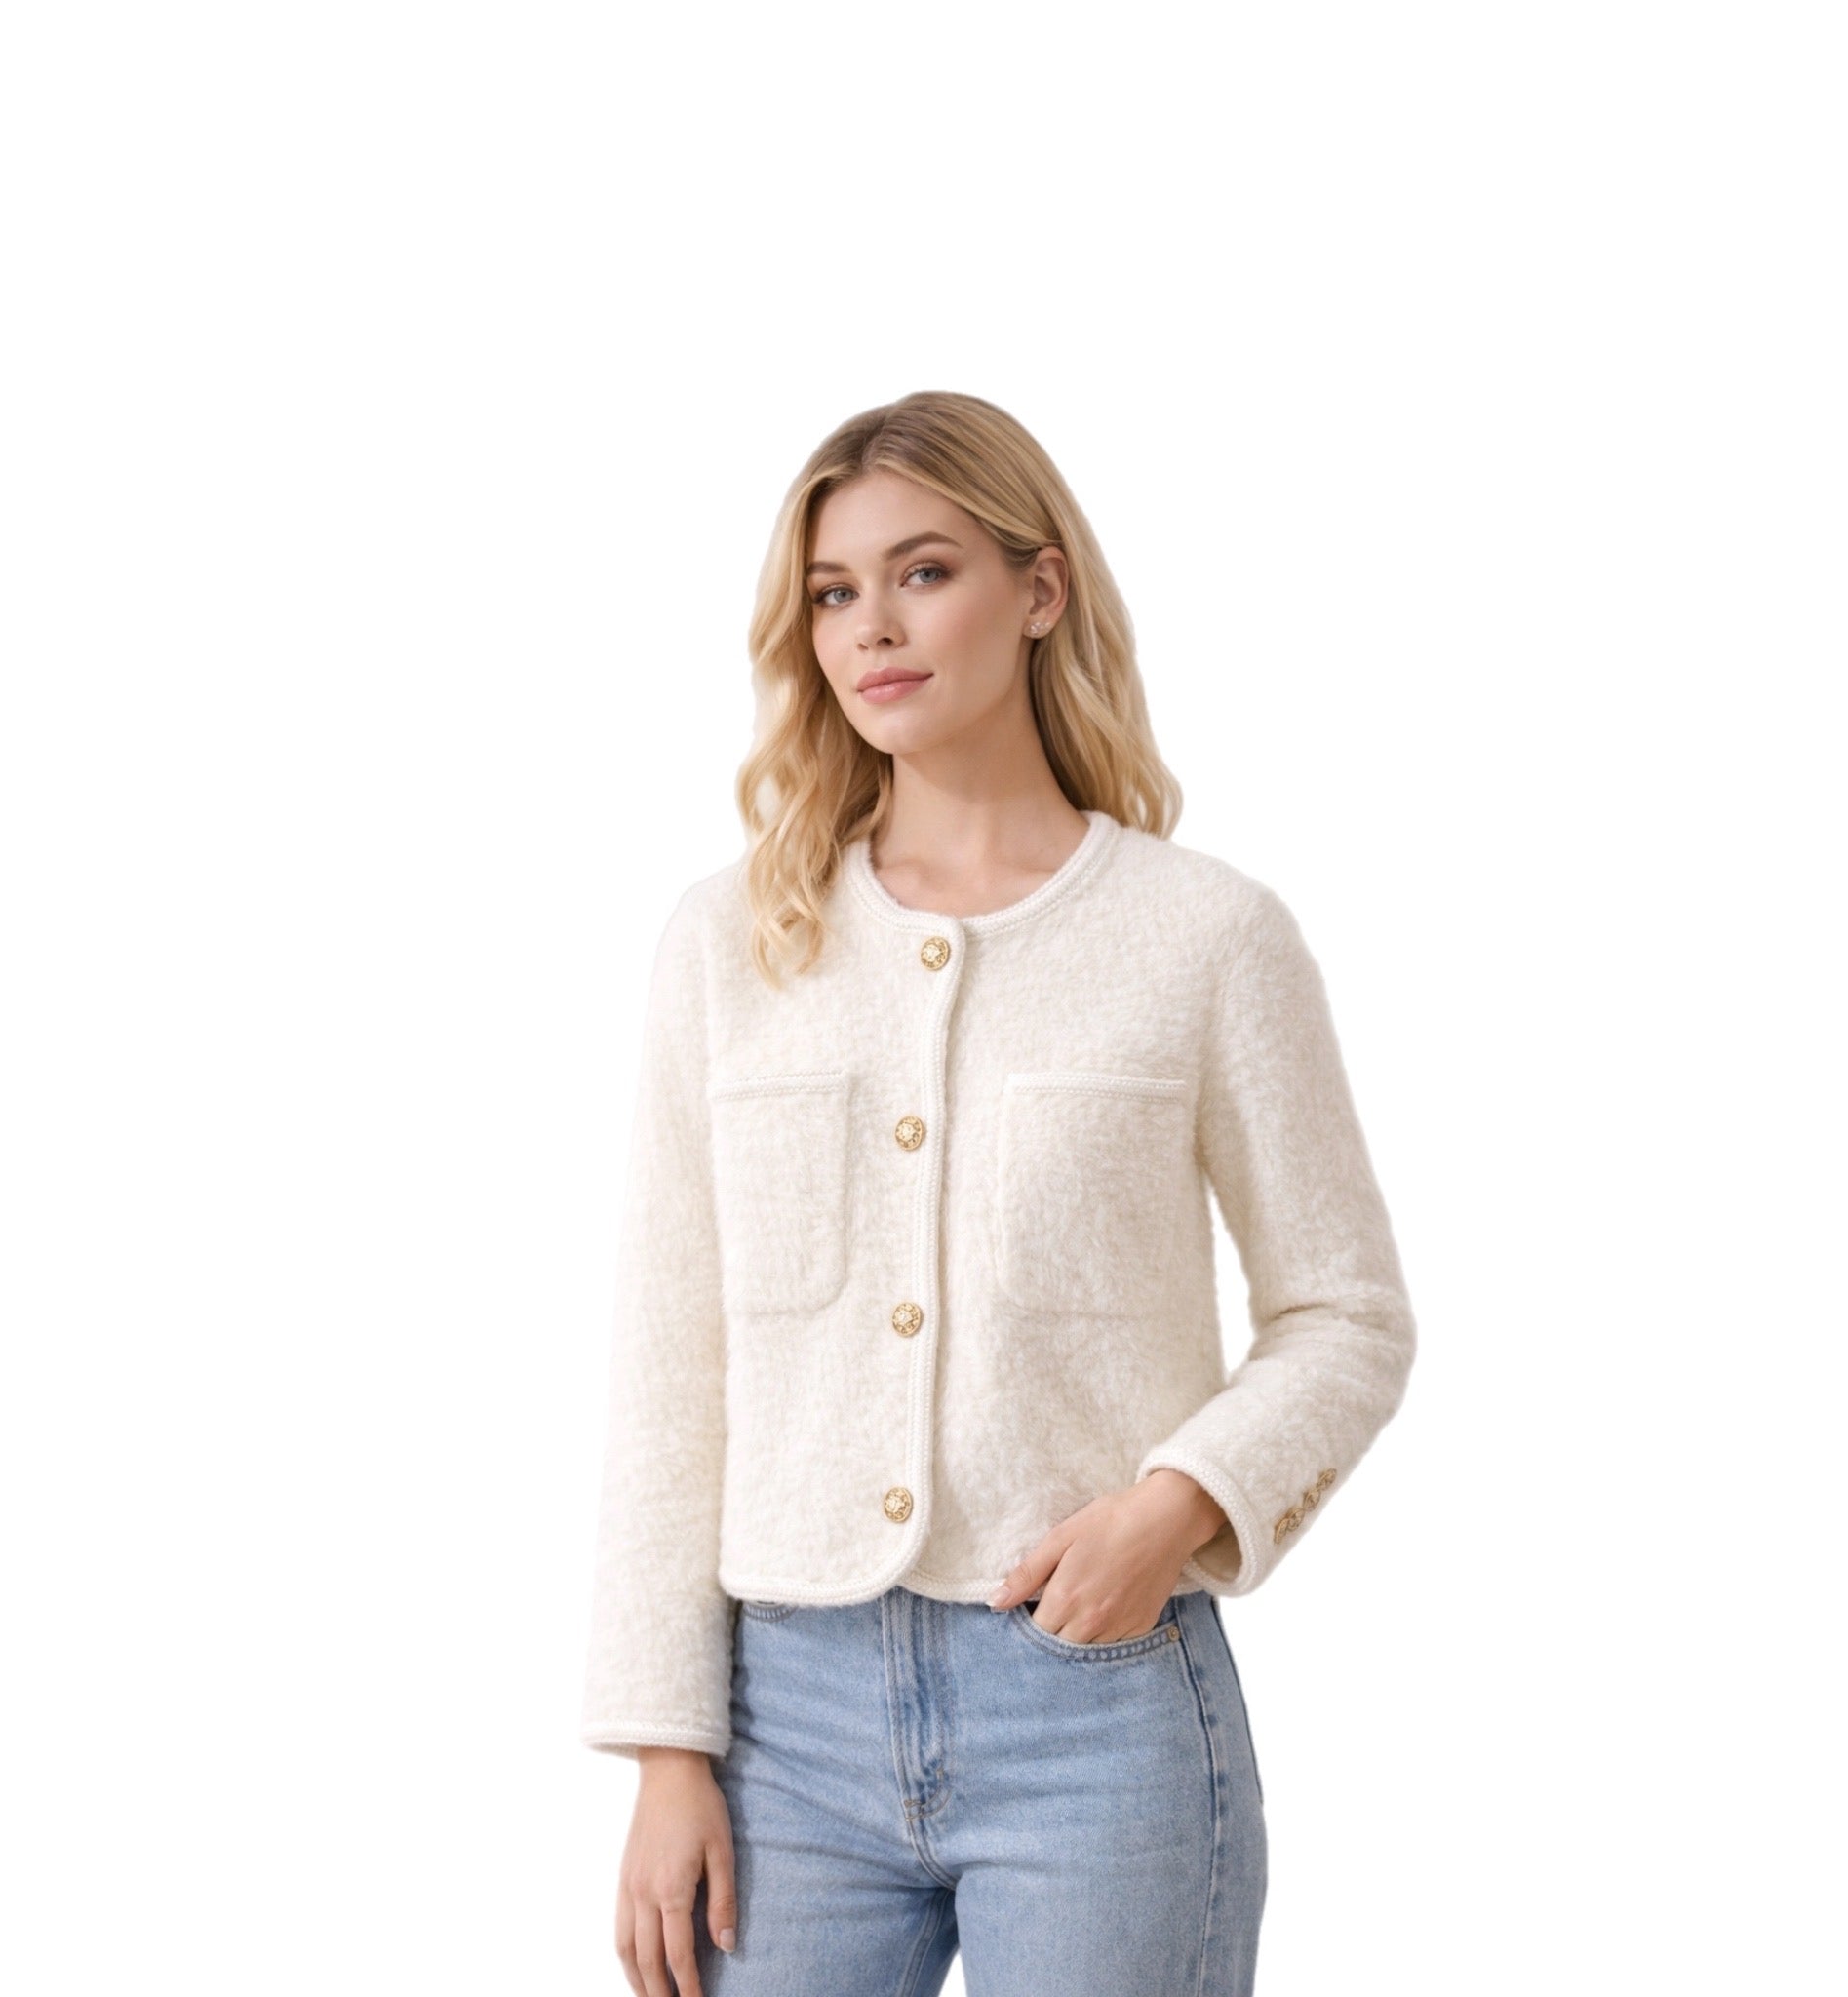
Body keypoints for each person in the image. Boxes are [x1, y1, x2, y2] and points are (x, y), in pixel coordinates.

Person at [579, 389, 1416, 1997]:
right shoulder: (731, 946)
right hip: (783, 1728)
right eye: (834, 592)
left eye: (924, 572)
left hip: (1097, 1705)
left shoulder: (1204, 939)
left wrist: (1174, 1508)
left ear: (1040, 591)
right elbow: (672, 1365)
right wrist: (664, 1751)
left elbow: (1347, 1316)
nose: (871, 628)